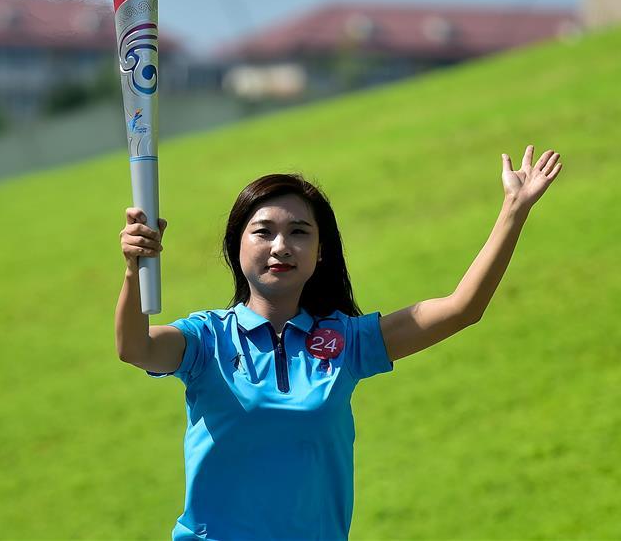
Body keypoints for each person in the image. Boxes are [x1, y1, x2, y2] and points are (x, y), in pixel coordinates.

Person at [115, 145, 562, 541]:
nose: (281, 246)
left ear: (320, 251)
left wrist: (514, 210)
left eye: (299, 232)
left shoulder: (347, 341)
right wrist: (136, 271)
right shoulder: (206, 339)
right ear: (236, 246)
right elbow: (136, 347)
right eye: (263, 231)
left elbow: (462, 308)